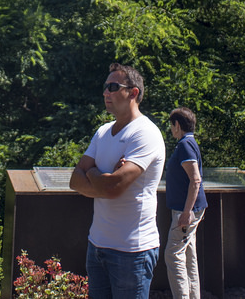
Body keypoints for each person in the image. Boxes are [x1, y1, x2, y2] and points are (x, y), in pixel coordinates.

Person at [70, 63, 166, 299]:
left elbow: (113, 188)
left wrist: (93, 173)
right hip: (97, 245)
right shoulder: (103, 132)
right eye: (105, 87)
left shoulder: (145, 133)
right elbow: (75, 179)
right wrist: (103, 179)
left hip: (132, 251)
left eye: (113, 87)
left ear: (133, 93)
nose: (106, 92)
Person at [164, 107, 208, 299]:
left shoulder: (185, 145)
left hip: (186, 211)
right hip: (189, 209)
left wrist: (187, 211)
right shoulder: (189, 143)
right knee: (189, 255)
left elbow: (195, 179)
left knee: (172, 255)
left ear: (177, 125)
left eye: (171, 125)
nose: (171, 129)